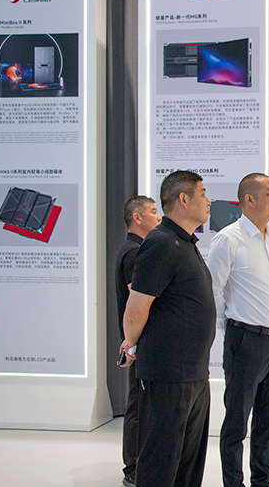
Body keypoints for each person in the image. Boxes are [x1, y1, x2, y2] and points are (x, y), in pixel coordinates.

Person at [119, 171, 216, 487]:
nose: (209, 201)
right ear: (184, 199)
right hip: (168, 375)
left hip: (193, 373)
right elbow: (137, 306)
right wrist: (130, 343)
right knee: (161, 461)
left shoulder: (185, 243)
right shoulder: (160, 242)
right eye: (203, 193)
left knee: (188, 463)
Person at [207, 173, 269, 487]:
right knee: (236, 423)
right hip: (246, 341)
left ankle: (263, 481)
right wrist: (230, 330)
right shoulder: (229, 239)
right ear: (249, 200)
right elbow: (213, 290)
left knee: (268, 422)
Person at [115, 195, 160, 487]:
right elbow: (138, 300)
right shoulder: (134, 253)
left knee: (141, 404)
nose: (158, 217)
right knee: (138, 406)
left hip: (138, 341)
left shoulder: (135, 249)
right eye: (153, 212)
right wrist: (132, 342)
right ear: (137, 218)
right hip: (140, 343)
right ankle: (133, 467)